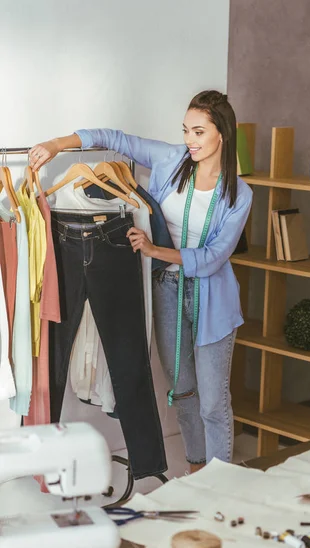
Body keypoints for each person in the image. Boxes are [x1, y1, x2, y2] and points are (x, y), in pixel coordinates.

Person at [30, 90, 253, 472]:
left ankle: (222, 482)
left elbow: (217, 255)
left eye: (199, 132)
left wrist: (155, 251)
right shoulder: (172, 161)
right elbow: (115, 139)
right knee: (182, 391)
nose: (190, 140)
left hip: (213, 298)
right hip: (166, 290)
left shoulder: (239, 194)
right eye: (186, 130)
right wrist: (57, 144)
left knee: (213, 401)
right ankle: (199, 470)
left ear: (223, 134)